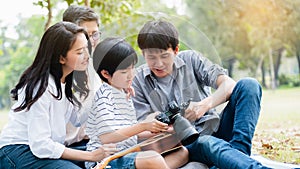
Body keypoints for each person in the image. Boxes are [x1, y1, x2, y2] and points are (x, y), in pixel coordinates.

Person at [131, 20, 271, 168]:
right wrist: (168, 127)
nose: (158, 64)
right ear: (143, 53)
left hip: (216, 129)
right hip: (185, 145)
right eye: (151, 57)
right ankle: (239, 163)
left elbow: (228, 84)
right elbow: (142, 129)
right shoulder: (138, 81)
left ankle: (238, 155)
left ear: (176, 50)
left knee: (249, 85)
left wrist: (205, 105)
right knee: (205, 142)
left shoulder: (191, 59)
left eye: (164, 56)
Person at [0, 21, 109, 169]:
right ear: (61, 58)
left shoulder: (63, 82)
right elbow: (41, 145)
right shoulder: (41, 86)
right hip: (17, 150)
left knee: (112, 159)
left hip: (41, 151)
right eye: (79, 52)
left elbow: (79, 120)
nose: (87, 56)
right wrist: (90, 156)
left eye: (86, 49)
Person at [85, 37, 189, 169]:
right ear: (105, 73)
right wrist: (143, 126)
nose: (131, 75)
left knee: (182, 153)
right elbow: (107, 137)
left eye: (132, 68)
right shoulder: (104, 97)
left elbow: (128, 132)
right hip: (105, 161)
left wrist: (160, 130)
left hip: (127, 154)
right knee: (153, 159)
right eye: (124, 72)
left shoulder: (124, 93)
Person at [62, 5, 102, 155]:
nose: (91, 41)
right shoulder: (59, 72)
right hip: (63, 149)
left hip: (90, 144)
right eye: (86, 35)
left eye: (95, 34)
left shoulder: (93, 68)